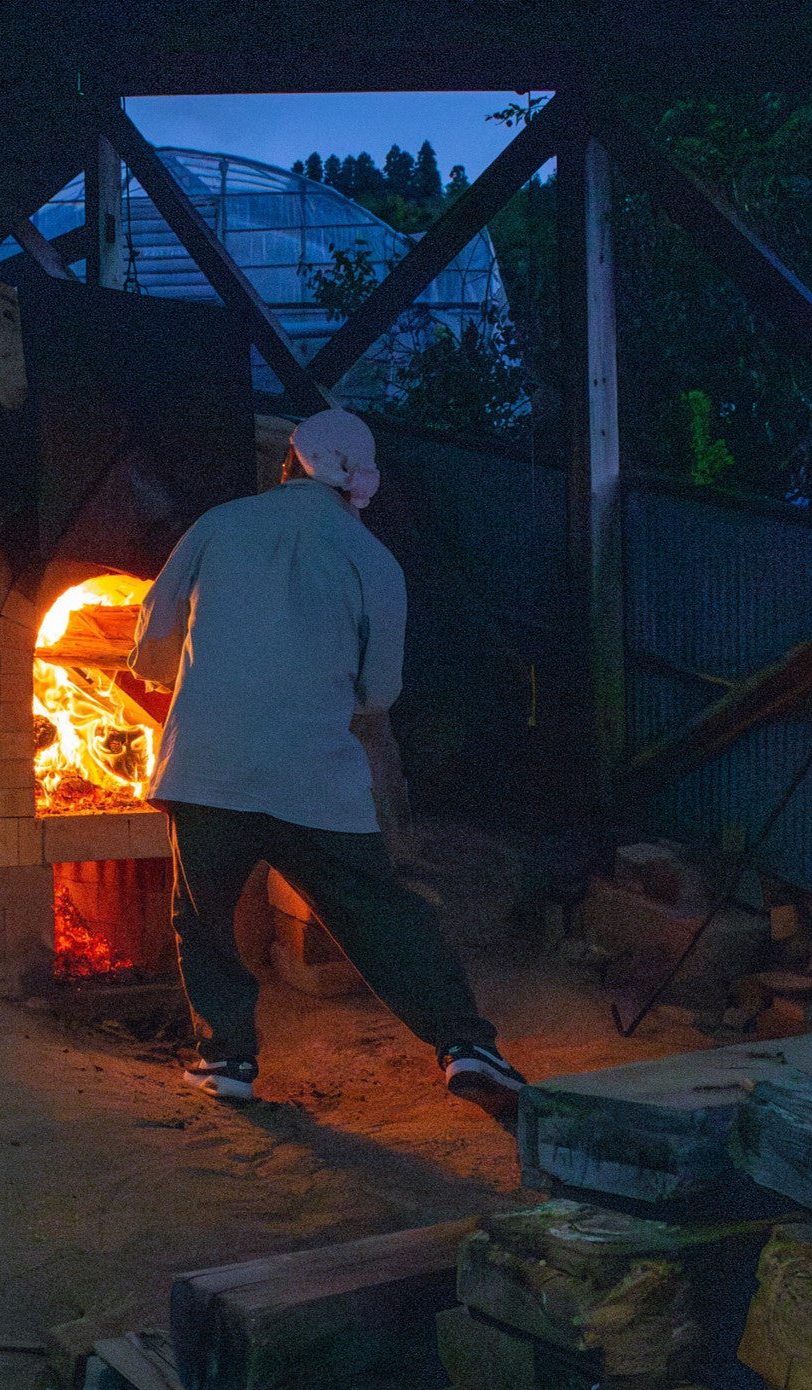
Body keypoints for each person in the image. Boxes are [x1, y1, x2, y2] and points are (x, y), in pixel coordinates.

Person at [128, 407, 526, 1117]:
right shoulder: (372, 558)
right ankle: (467, 1046)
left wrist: (184, 682)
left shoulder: (218, 523)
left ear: (289, 461)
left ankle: (227, 1060)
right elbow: (380, 694)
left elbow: (153, 634)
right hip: (314, 776)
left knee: (205, 915)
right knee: (380, 913)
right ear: (360, 485)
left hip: (207, 766)